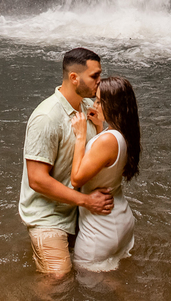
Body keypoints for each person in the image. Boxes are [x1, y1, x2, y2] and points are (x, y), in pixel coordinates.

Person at [19, 47, 115, 278]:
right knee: (59, 279)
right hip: (48, 214)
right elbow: (37, 180)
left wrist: (100, 127)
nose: (100, 82)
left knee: (105, 272)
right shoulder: (47, 117)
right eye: (95, 76)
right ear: (74, 78)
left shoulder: (88, 108)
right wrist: (86, 201)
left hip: (78, 210)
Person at [69, 75, 140, 272]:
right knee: (110, 282)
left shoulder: (107, 141)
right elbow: (109, 163)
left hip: (100, 229)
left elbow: (76, 178)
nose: (94, 104)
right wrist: (100, 127)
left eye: (100, 101)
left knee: (87, 284)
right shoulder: (124, 133)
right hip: (119, 219)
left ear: (114, 105)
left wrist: (81, 135)